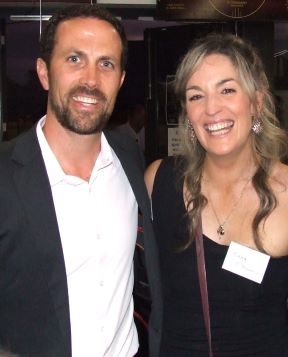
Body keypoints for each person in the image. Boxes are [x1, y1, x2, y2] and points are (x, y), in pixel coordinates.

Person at [144, 32, 288, 356]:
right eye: (196, 96)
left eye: (227, 90)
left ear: (256, 101)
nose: (212, 109)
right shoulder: (159, 182)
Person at [0, 5, 161, 356]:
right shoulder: (5, 176)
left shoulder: (129, 157)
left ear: (119, 79)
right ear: (44, 73)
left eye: (106, 63)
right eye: (74, 59)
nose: (91, 79)